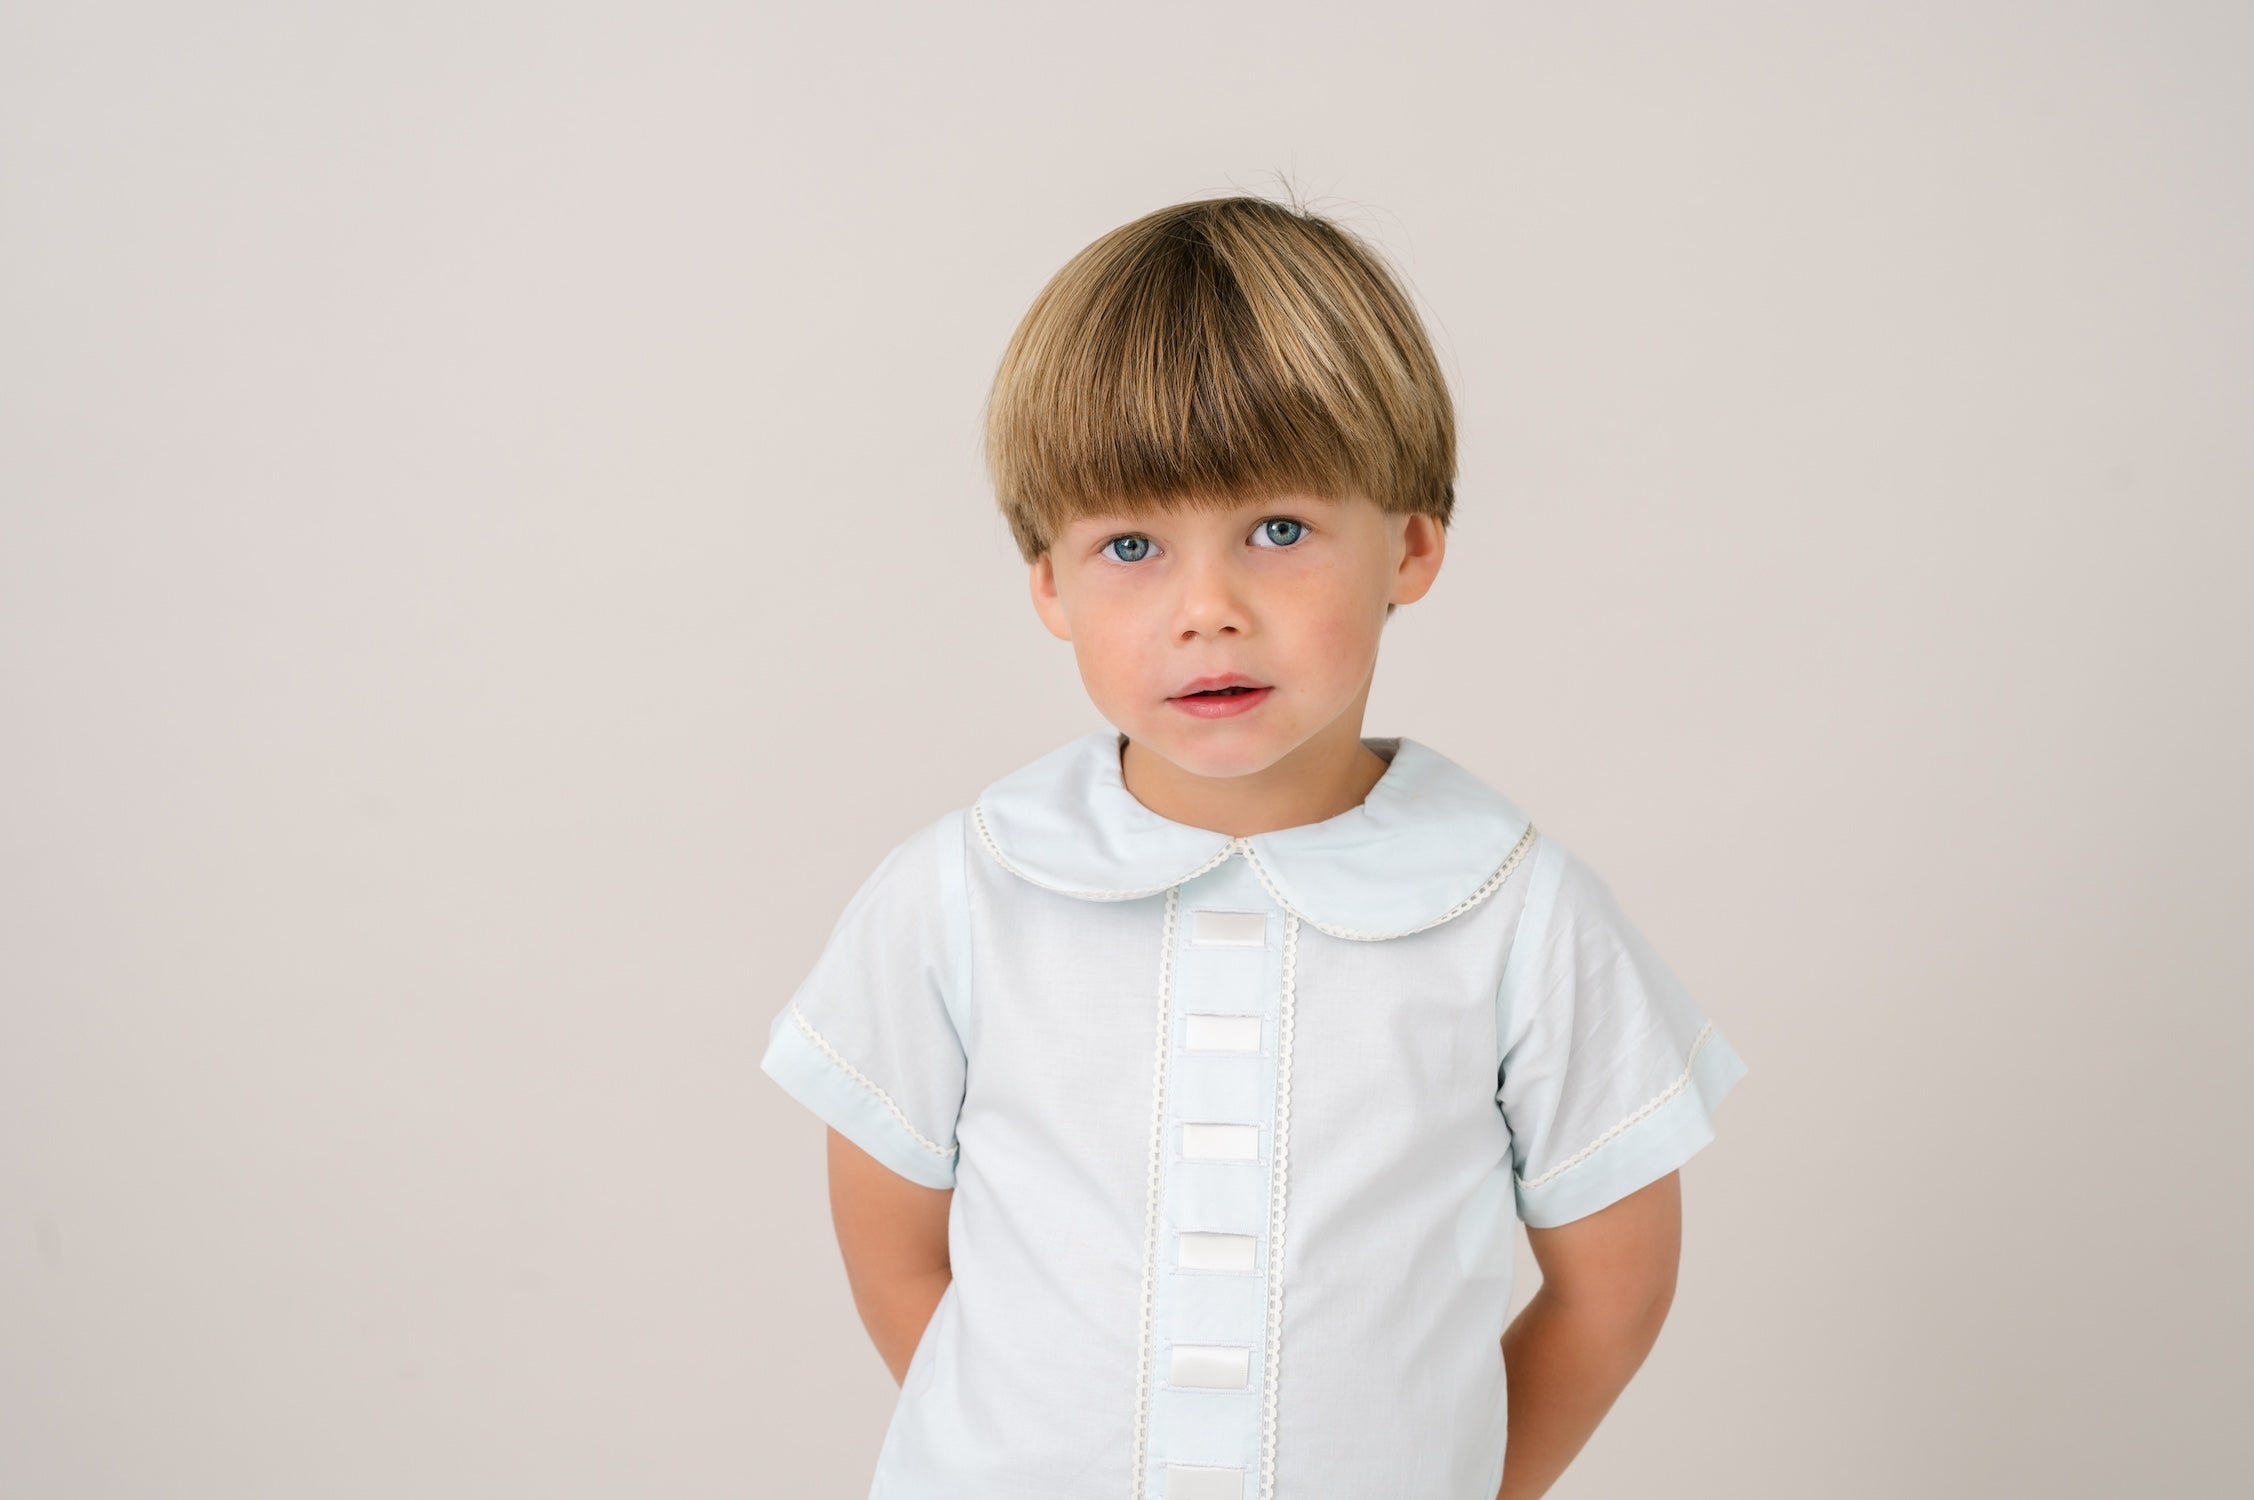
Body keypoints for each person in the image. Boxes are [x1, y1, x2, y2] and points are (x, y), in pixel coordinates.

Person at [757, 193, 1750, 1500]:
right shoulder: (959, 893)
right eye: (1130, 546)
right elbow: (897, 1257)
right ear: (1049, 584)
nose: (1206, 611)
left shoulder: (1520, 913)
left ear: (1408, 546)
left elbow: (1610, 1293)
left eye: (1277, 531)